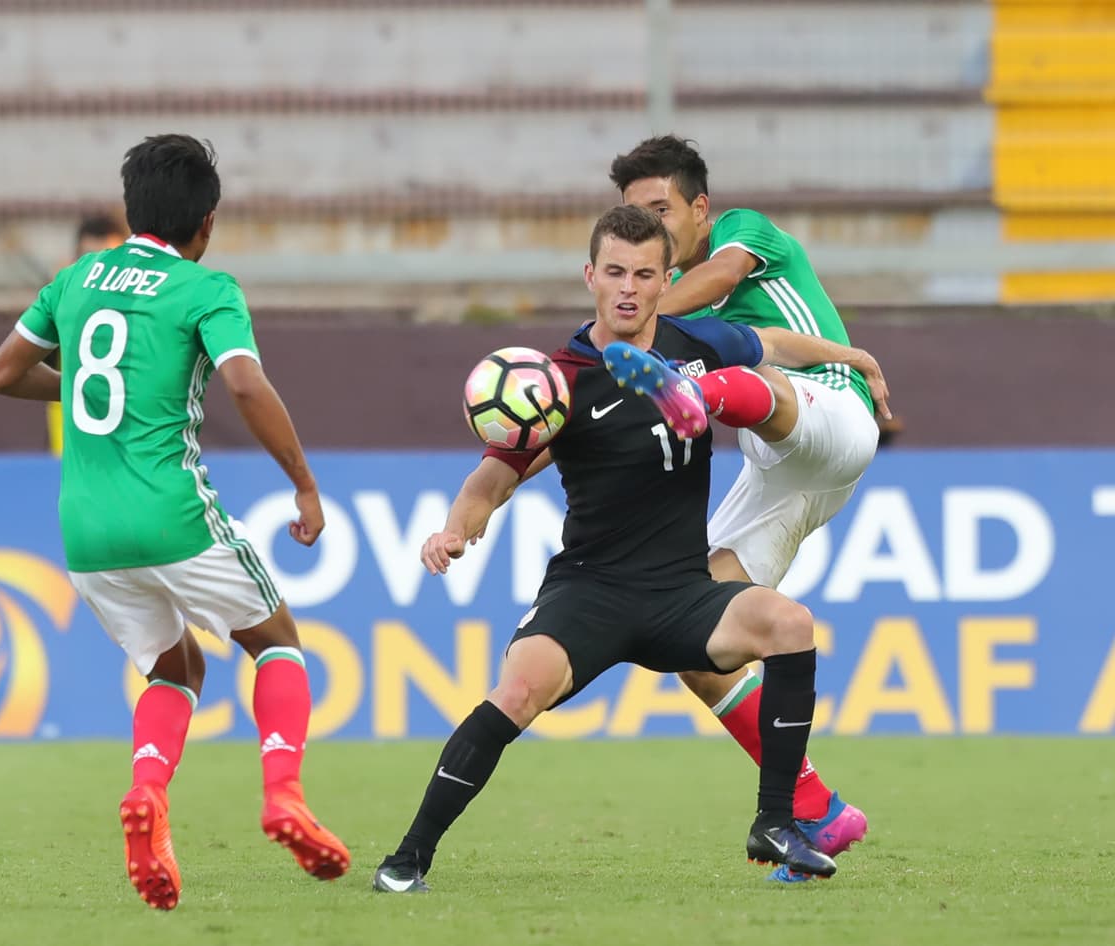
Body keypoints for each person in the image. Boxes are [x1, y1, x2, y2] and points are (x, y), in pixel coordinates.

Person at [372, 205, 881, 894]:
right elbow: (493, 477)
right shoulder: (560, 381)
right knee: (517, 692)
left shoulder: (696, 342)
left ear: (667, 278)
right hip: (591, 590)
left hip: (680, 593)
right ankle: (407, 859)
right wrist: (456, 530)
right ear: (590, 276)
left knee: (788, 625)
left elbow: (775, 346)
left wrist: (849, 356)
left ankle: (777, 822)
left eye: (645, 274)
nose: (628, 288)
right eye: (614, 272)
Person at [0, 134, 350, 910]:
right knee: (276, 642)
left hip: (85, 531)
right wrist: (305, 485)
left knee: (175, 668)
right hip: (172, 515)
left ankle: (148, 791)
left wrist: (83, 384)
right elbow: (246, 385)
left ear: (128, 210)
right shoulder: (204, 289)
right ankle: (283, 793)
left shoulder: (76, 280)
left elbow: (2, 373)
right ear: (207, 222)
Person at [610, 135, 886, 877]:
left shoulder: (742, 233)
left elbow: (724, 273)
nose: (651, 231)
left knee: (746, 377)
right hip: (782, 471)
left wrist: (642, 305)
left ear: (699, 209)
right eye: (633, 217)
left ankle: (698, 395)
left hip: (832, 416)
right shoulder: (663, 313)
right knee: (697, 636)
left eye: (661, 212)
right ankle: (816, 809)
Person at [46, 214, 128, 456]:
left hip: (129, 462)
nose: (101, 275)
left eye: (110, 262)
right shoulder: (59, 312)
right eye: (90, 263)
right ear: (73, 263)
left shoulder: (150, 318)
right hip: (71, 461)